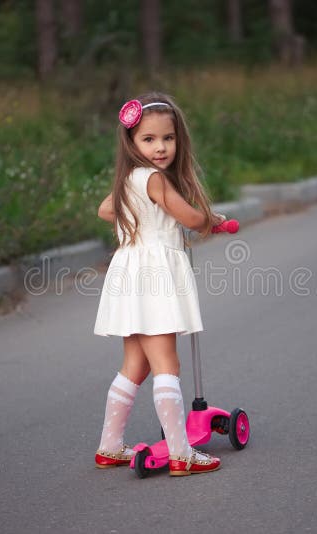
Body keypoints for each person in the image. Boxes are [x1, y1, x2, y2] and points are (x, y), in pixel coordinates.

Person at [93, 92, 224, 476]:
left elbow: (105, 209)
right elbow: (193, 220)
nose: (161, 147)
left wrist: (138, 213)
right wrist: (211, 219)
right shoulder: (155, 180)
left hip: (130, 271)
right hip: (155, 275)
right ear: (131, 142)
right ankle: (182, 453)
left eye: (168, 138)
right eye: (149, 140)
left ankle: (110, 446)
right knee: (167, 361)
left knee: (136, 362)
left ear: (177, 138)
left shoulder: (130, 179)